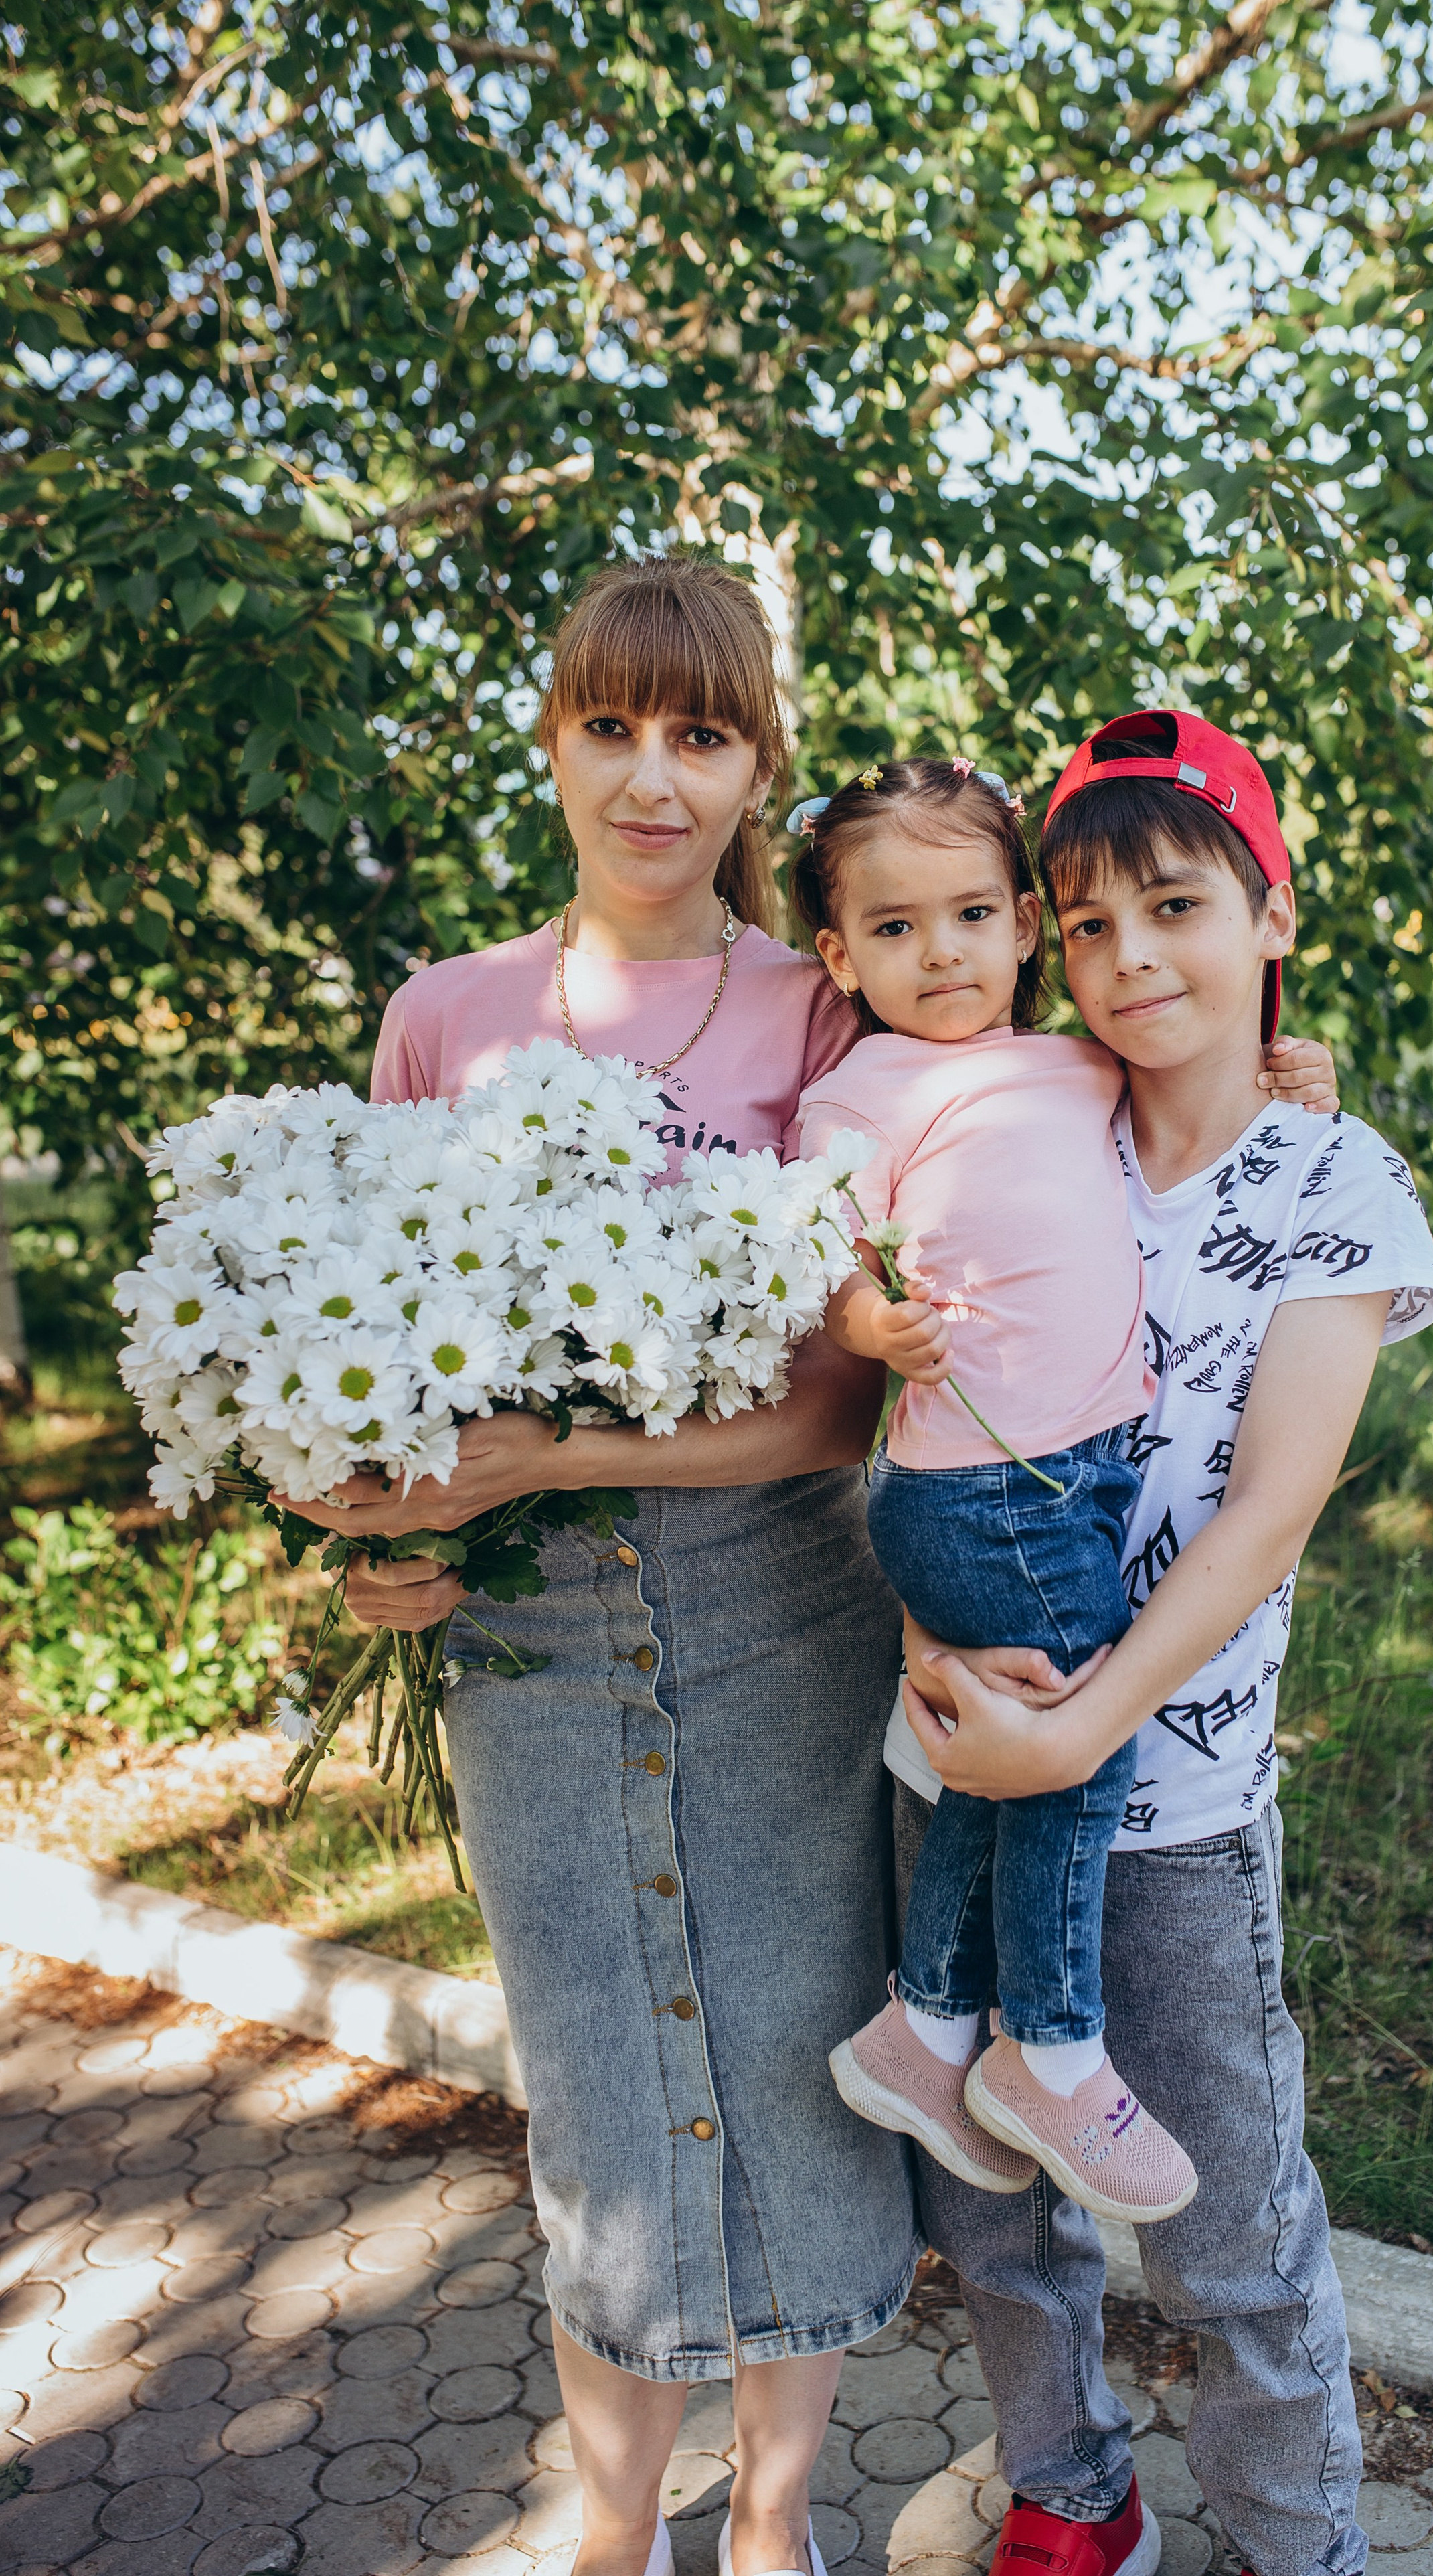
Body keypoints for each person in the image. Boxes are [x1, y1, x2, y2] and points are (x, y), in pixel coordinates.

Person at [281, 554, 917, 2576]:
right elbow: (372, 1383)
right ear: (554, 739)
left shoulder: (829, 1008)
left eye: (704, 736)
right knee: (599, 2085)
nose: (655, 779)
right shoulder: (443, 1018)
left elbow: (835, 1408)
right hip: (531, 1645)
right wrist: (386, 1551)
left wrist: (1276, 1078)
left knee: (803, 2047)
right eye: (614, 727)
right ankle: (615, 2526)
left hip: (784, 1605)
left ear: (756, 770)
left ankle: (779, 2522)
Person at [890, 712, 1433, 2576]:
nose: (1133, 966)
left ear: (1272, 912)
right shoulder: (1029, 1119)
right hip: (975, 1758)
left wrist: (1088, 1734)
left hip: (1176, 1803)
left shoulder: (1333, 1183)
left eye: (1179, 910)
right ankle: (1074, 2498)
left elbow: (1263, 1517)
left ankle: (1302, 2546)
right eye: (1090, 928)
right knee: (989, 2199)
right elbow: (925, 1402)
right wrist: (928, 1641)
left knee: (1227, 2230)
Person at [792, 755, 1217, 2223]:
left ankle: (922, 2032)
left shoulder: (1074, 1059)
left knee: (1017, 1743)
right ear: (839, 956)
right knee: (1073, 1746)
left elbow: (1199, 1092)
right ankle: (1048, 2043)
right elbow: (818, 1264)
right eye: (895, 930)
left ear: (1027, 923)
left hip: (1066, 1480)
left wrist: (1302, 1074)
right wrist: (866, 1323)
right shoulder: (855, 1093)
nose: (943, 953)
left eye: (972, 913)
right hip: (978, 1486)